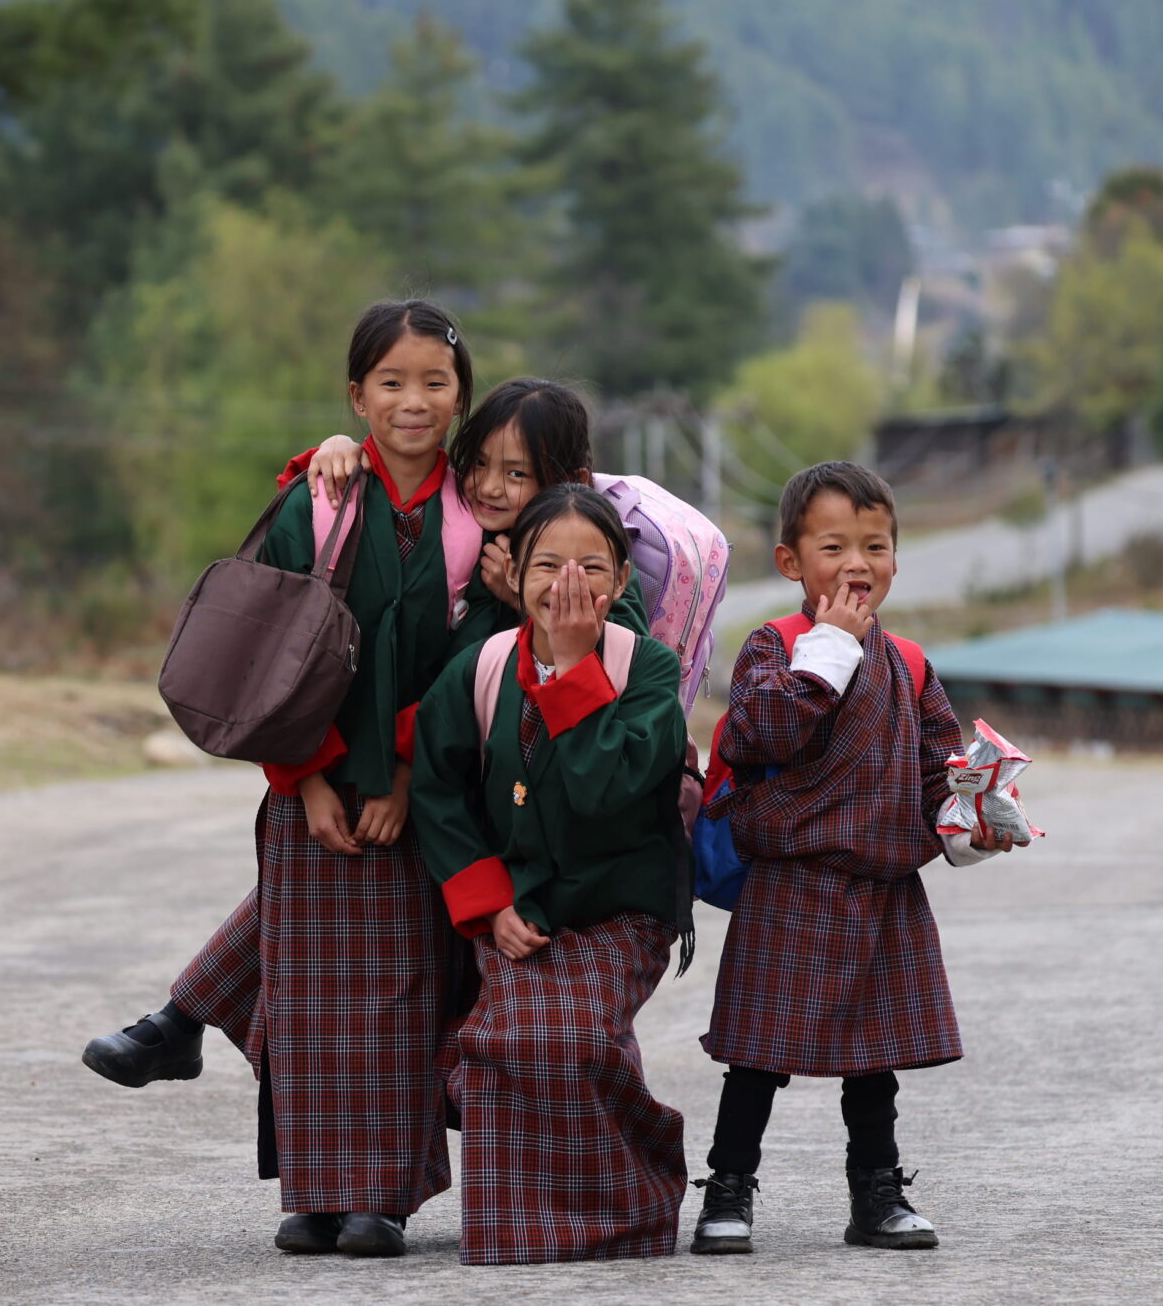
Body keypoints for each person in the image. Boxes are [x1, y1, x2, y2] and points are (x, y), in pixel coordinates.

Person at [81, 381, 647, 1096]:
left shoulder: (578, 561)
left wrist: (517, 607)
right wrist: (334, 452)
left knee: (368, 912)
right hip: (446, 769)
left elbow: (570, 668)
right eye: (482, 465)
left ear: (564, 481)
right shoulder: (465, 531)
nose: (492, 487)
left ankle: (183, 1018)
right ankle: (180, 1018)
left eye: (518, 473)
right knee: (325, 885)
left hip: (527, 799)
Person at [104, 300, 477, 1259]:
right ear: (357, 395)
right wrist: (306, 780)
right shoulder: (315, 500)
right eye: (390, 381)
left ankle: (382, 1196)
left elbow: (467, 669)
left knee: (393, 997)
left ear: (461, 397)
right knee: (310, 999)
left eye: (435, 381)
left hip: (413, 796)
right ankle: (313, 1197)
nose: (413, 400)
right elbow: (267, 651)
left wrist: (398, 775)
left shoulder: (477, 517)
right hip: (305, 789)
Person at [691, 461, 1009, 1256]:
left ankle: (878, 1191)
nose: (858, 563)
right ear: (791, 562)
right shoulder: (777, 644)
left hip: (882, 885)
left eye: (876, 545)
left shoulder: (910, 662)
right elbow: (761, 731)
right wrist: (830, 648)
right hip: (791, 883)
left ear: (898, 560)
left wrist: (977, 818)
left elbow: (939, 771)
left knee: (875, 1062)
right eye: (835, 545)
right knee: (757, 1057)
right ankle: (728, 1188)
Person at [411, 484, 692, 1264]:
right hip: (518, 904)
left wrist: (573, 668)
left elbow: (606, 793)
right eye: (548, 564)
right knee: (503, 1040)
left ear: (624, 582)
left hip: (619, 905)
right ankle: (513, 1228)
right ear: (517, 574)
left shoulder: (650, 669)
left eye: (591, 566)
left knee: (567, 1037)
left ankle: (634, 1201)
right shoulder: (486, 665)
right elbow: (436, 786)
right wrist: (484, 901)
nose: (568, 584)